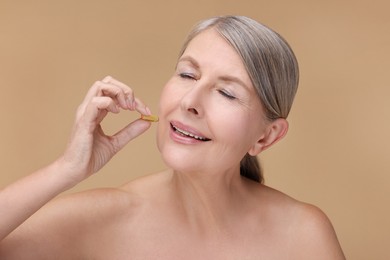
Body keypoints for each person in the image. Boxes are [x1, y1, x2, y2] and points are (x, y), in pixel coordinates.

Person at [0, 15, 345, 259]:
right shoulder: (104, 220)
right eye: (187, 74)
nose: (190, 101)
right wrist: (66, 169)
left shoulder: (302, 235)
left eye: (226, 93)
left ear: (266, 137)